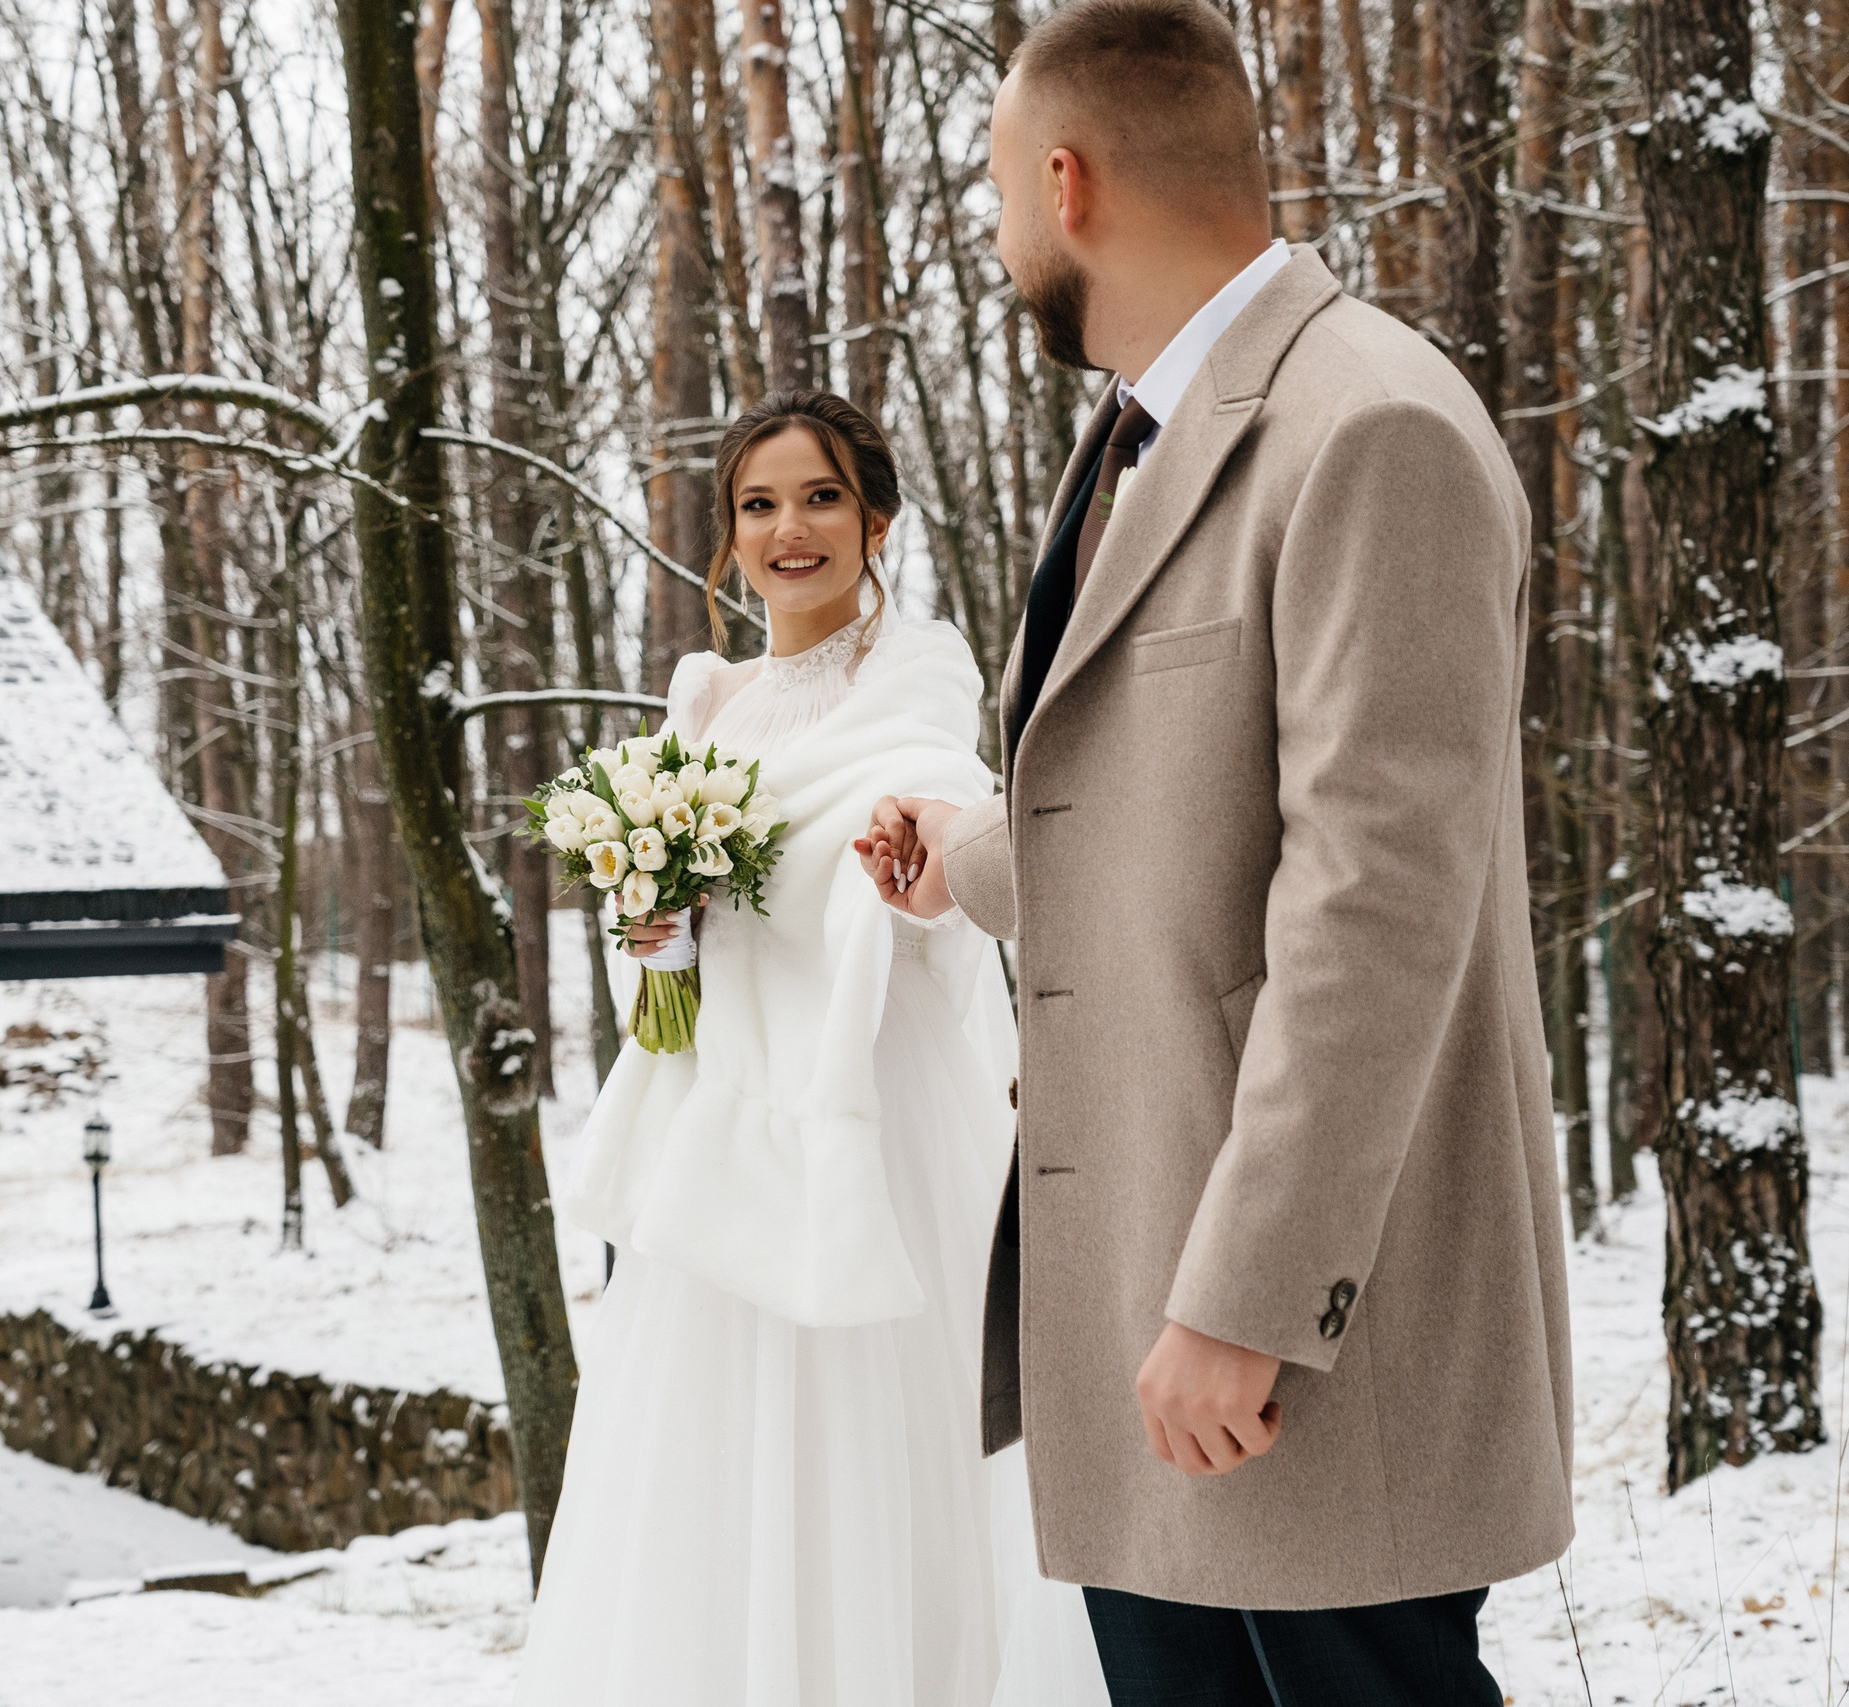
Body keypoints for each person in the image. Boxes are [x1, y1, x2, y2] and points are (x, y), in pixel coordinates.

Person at [857, 1, 1576, 1701]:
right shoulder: (1132, 438)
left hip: (1300, 1337)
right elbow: (1171, 812)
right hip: (1140, 1312)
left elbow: (1376, 906)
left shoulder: (1371, 425)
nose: (999, 235)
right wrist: (965, 858)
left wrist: (1245, 1304)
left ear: (1065, 180)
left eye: (996, 195)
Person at [518, 391, 1110, 1706]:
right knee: (706, 1491)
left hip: (875, 1129)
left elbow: (939, 802)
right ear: (728, 537)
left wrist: (918, 851)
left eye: (823, 496)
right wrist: (658, 928)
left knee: (884, 1473)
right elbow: (666, 971)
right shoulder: (705, 705)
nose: (792, 529)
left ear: (877, 518)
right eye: (760, 505)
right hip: (717, 1141)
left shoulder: (921, 671)